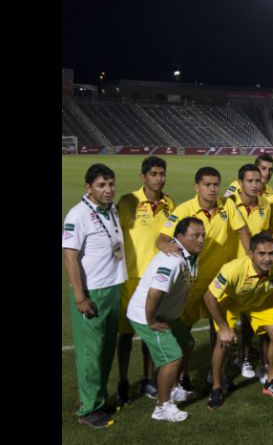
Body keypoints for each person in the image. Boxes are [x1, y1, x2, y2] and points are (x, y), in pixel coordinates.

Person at [157, 167, 251, 389]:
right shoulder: (184, 209)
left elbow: (243, 231)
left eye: (215, 184)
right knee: (185, 330)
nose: (212, 189)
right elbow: (162, 238)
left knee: (219, 327)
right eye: (207, 185)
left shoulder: (227, 205)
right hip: (191, 282)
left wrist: (249, 257)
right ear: (196, 187)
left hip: (218, 281)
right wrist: (170, 248)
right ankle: (182, 375)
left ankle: (216, 371)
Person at [203, 232, 273, 407]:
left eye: (272, 253)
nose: (268, 259)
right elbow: (209, 296)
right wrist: (222, 327)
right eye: (261, 254)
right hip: (231, 303)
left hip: (261, 302)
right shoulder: (233, 268)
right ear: (250, 254)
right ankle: (217, 387)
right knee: (223, 340)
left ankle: (271, 382)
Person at [62, 163, 127, 428]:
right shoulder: (77, 215)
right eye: (101, 185)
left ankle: (99, 401)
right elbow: (69, 258)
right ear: (88, 187)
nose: (108, 189)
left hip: (113, 288)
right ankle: (87, 410)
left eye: (111, 183)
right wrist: (80, 297)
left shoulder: (111, 210)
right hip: (92, 293)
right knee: (91, 353)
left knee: (105, 350)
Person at [126, 217, 205, 422]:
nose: (201, 239)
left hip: (168, 315)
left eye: (203, 235)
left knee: (187, 343)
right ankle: (162, 407)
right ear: (179, 237)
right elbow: (154, 294)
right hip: (147, 315)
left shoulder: (189, 255)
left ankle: (174, 388)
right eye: (195, 235)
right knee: (172, 357)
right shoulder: (172, 260)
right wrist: (151, 321)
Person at [116, 156, 175, 404]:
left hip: (156, 280)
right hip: (130, 278)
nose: (158, 178)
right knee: (125, 335)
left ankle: (148, 380)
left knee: (152, 331)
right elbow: (115, 238)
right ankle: (123, 381)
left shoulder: (170, 202)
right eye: (153, 174)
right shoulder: (128, 201)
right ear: (143, 177)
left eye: (161, 173)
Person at [228, 163, 271, 381]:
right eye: (250, 181)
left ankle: (244, 358)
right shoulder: (228, 203)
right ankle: (224, 365)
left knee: (250, 317)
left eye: (258, 180)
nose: (255, 185)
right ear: (240, 183)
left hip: (256, 269)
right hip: (233, 268)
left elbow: (264, 234)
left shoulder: (265, 203)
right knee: (226, 319)